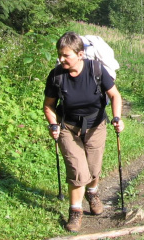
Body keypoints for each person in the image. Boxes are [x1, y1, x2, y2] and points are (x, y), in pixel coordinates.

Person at [43, 32, 125, 232]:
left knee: (93, 170)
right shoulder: (56, 75)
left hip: (96, 126)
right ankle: (75, 211)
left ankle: (93, 193)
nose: (61, 59)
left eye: (66, 55)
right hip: (68, 128)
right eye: (59, 55)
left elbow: (115, 95)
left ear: (80, 54)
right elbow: (49, 106)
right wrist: (53, 124)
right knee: (78, 170)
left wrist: (117, 118)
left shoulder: (96, 70)